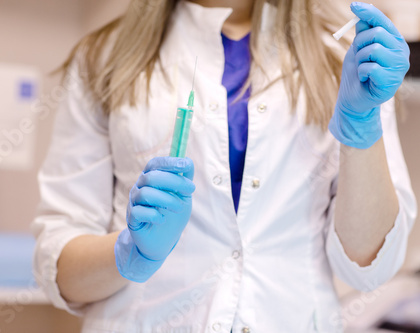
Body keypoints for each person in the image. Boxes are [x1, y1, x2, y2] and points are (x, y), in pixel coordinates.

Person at [31, 0, 417, 332]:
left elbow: (369, 267)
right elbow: (60, 267)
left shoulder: (346, 57)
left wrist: (361, 126)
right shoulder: (105, 57)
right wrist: (128, 252)